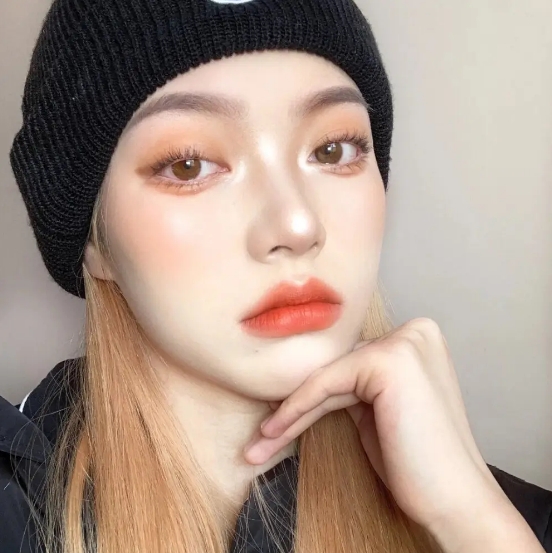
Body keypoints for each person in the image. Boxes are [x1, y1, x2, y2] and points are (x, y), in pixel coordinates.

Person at [1, 0, 551, 551]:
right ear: (95, 243)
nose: (297, 224)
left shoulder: (508, 524)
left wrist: (470, 519)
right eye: (189, 165)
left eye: (333, 150)